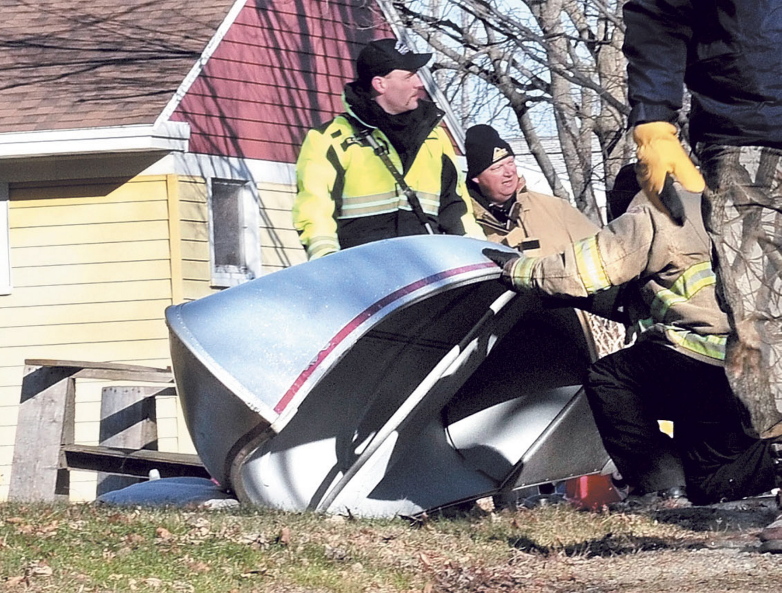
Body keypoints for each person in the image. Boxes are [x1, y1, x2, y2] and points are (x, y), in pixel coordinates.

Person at [483, 165, 781, 520]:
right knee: (711, 483)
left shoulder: (653, 210)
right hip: (761, 359)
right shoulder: (720, 204)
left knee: (610, 378)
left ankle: (660, 488)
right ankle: (770, 463)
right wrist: (580, 299)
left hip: (704, 356)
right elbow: (642, 298)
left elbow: (586, 268)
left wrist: (518, 270)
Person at [622, 1, 782, 443]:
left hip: (746, 127)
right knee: (759, 312)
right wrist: (653, 120)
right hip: (747, 135)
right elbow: (658, 12)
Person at [292, 38, 483, 260]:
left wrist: (479, 257)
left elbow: (457, 210)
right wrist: (327, 264)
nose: (419, 83)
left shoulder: (435, 137)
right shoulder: (330, 139)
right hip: (364, 277)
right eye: (409, 76)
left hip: (427, 273)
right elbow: (314, 211)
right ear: (380, 84)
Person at [464, 124, 599, 257]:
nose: (508, 172)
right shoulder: (464, 219)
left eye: (510, 163)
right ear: (476, 177)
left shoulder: (557, 209)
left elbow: (602, 252)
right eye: (497, 168)